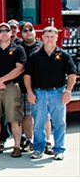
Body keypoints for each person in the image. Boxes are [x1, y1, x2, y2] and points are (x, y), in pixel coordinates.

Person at [23, 26, 77, 160]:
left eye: (52, 36)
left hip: (58, 93)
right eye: (47, 36)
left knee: (59, 123)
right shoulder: (35, 55)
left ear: (57, 38)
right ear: (42, 38)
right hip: (39, 93)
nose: (49, 39)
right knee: (39, 123)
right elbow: (27, 75)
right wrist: (30, 92)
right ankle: (38, 149)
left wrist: (68, 91)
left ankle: (59, 150)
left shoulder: (63, 55)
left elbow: (72, 74)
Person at [0, 23, 27, 157]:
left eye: (6, 30)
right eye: (0, 30)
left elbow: (20, 68)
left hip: (11, 87)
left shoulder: (18, 49)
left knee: (14, 117)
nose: (4, 33)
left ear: (11, 33)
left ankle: (16, 147)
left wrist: (1, 80)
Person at [18, 22, 43, 153]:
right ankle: (29, 141)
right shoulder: (18, 48)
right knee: (27, 116)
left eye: (30, 30)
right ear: (21, 34)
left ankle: (46, 142)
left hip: (42, 87)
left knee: (43, 117)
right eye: (25, 31)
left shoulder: (42, 47)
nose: (28, 32)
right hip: (24, 88)